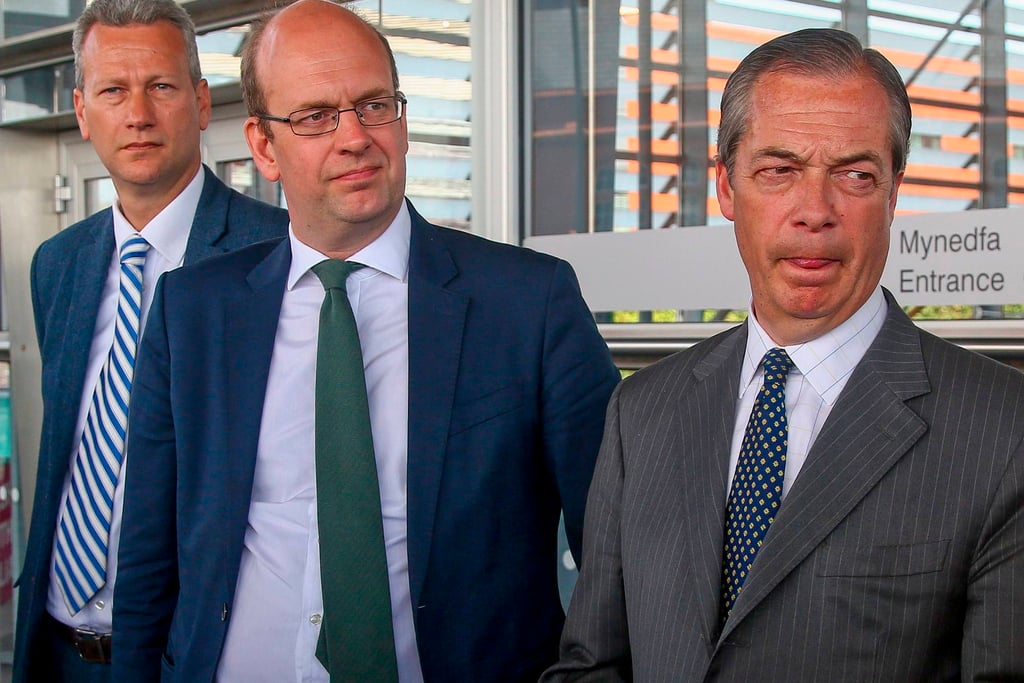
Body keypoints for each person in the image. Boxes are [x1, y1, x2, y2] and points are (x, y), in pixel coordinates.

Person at [110, 1, 620, 681]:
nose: (355, 137)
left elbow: (615, 557)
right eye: (317, 116)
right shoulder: (192, 310)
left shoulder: (529, 303)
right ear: (263, 145)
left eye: (375, 105)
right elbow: (148, 559)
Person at [543, 28, 1024, 682]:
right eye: (780, 170)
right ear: (726, 187)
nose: (814, 211)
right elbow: (592, 665)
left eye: (854, 175)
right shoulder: (643, 410)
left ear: (893, 192)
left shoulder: (1003, 430)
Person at [12, 0, 290, 680]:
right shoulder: (58, 263)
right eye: (112, 90)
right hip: (58, 645)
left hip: (188, 650)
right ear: (82, 112)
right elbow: (69, 450)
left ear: (200, 102)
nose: (137, 113)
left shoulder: (275, 253)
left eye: (161, 86)